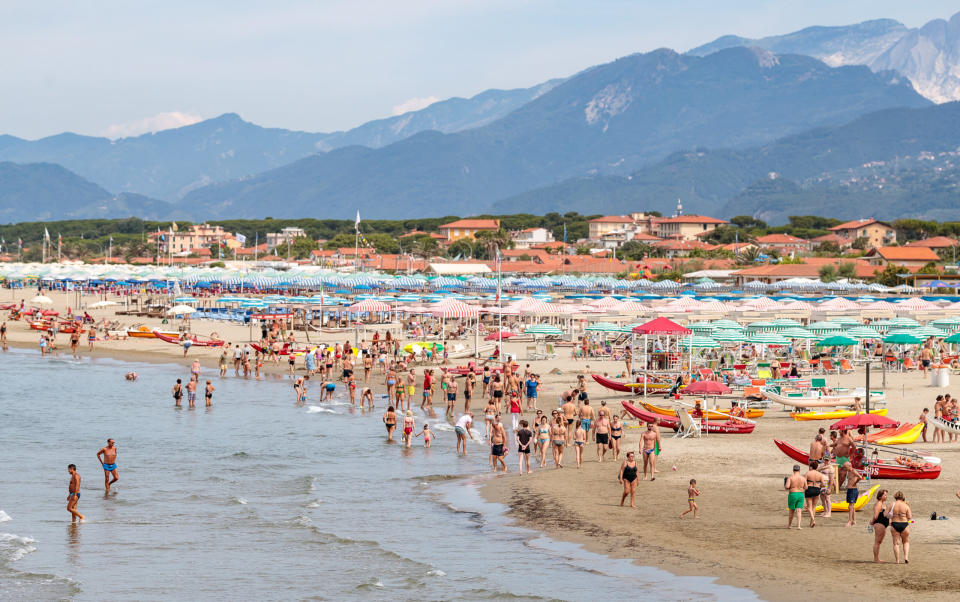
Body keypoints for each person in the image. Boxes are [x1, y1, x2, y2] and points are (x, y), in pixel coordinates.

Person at [890, 491, 912, 564]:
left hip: (894, 523)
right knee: (905, 542)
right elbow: (910, 517)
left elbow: (886, 514)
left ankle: (897, 560)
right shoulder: (906, 505)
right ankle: (906, 557)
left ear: (895, 497)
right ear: (903, 497)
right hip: (904, 524)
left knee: (896, 543)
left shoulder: (892, 504)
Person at [871, 489, 890, 563]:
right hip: (879, 523)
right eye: (885, 495)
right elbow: (876, 516)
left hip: (883, 524)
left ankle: (877, 558)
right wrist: (871, 523)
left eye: (886, 495)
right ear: (880, 496)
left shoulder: (883, 504)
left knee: (879, 542)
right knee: (877, 542)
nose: (886, 496)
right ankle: (876, 559)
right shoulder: (878, 504)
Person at [804, 460, 825, 528]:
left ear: (811, 466)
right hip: (817, 489)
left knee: (809, 507)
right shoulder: (820, 474)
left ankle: (813, 520)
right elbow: (823, 484)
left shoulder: (808, 473)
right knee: (814, 506)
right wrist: (819, 486)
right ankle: (811, 522)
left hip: (809, 489)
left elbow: (804, 482)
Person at [785, 464, 805, 529]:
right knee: (799, 510)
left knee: (791, 510)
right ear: (799, 470)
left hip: (793, 494)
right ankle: (799, 526)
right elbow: (806, 487)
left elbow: (787, 486)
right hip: (800, 494)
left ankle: (790, 525)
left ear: (793, 470)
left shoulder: (790, 477)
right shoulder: (803, 478)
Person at [843, 462, 862, 527]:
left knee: (851, 506)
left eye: (845, 467)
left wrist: (855, 483)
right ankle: (854, 521)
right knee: (851, 506)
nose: (845, 468)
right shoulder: (849, 471)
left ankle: (849, 521)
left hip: (853, 490)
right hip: (850, 490)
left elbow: (860, 477)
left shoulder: (853, 471)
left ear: (849, 466)